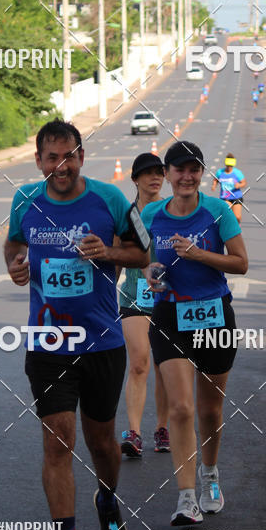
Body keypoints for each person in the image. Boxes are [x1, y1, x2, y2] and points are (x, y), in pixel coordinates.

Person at [4, 119, 149, 530]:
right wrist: (14, 264)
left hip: (102, 343)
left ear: (81, 157)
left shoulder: (108, 199)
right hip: (48, 343)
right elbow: (13, 242)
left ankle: (107, 497)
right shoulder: (26, 200)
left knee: (102, 444)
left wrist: (108, 252)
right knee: (56, 442)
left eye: (68, 156)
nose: (60, 166)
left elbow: (142, 254)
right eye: (51, 158)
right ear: (39, 161)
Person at [141, 141, 248, 527]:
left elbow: (241, 263)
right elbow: (147, 262)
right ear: (167, 174)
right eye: (179, 170)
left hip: (214, 315)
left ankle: (210, 475)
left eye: (194, 169)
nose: (187, 177)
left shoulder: (218, 210)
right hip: (170, 316)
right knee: (181, 408)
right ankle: (186, 498)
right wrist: (151, 275)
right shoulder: (153, 213)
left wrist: (199, 255)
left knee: (209, 408)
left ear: (202, 173)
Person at [117, 153, 170, 457]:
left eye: (159, 173)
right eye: (147, 173)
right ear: (135, 179)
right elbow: (117, 257)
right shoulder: (125, 215)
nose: (155, 178)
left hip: (167, 297)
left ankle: (162, 428)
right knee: (139, 363)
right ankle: (134, 432)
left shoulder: (171, 210)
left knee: (164, 367)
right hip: (134, 296)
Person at [211, 153, 247, 224]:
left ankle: (236, 228)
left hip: (237, 197)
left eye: (231, 166)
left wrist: (239, 185)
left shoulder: (237, 173)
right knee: (227, 216)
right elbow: (216, 179)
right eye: (228, 166)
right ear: (225, 164)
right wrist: (214, 185)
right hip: (225, 197)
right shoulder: (220, 172)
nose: (229, 167)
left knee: (237, 217)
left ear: (233, 165)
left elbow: (244, 183)